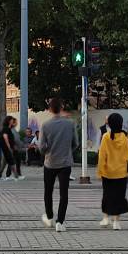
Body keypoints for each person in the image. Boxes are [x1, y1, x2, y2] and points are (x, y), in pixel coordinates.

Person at [40, 97, 76, 232]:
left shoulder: (45, 125)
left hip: (50, 163)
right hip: (65, 163)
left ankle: (49, 217)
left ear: (49, 109)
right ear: (62, 107)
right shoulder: (70, 124)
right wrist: (67, 152)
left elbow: (41, 146)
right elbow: (76, 143)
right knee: (64, 193)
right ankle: (60, 222)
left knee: (48, 191)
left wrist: (48, 151)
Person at [98, 113, 128, 231]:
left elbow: (102, 156)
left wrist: (100, 171)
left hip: (108, 173)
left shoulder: (106, 137)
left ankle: (106, 217)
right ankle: (116, 222)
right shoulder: (126, 136)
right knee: (119, 197)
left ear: (110, 124)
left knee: (107, 195)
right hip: (122, 172)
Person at [1, 116, 23, 181]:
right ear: (8, 121)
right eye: (11, 120)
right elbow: (5, 137)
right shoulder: (6, 129)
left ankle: (15, 176)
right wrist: (9, 147)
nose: (12, 121)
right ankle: (15, 176)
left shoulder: (8, 128)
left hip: (9, 148)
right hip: (7, 148)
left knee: (8, 163)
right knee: (9, 162)